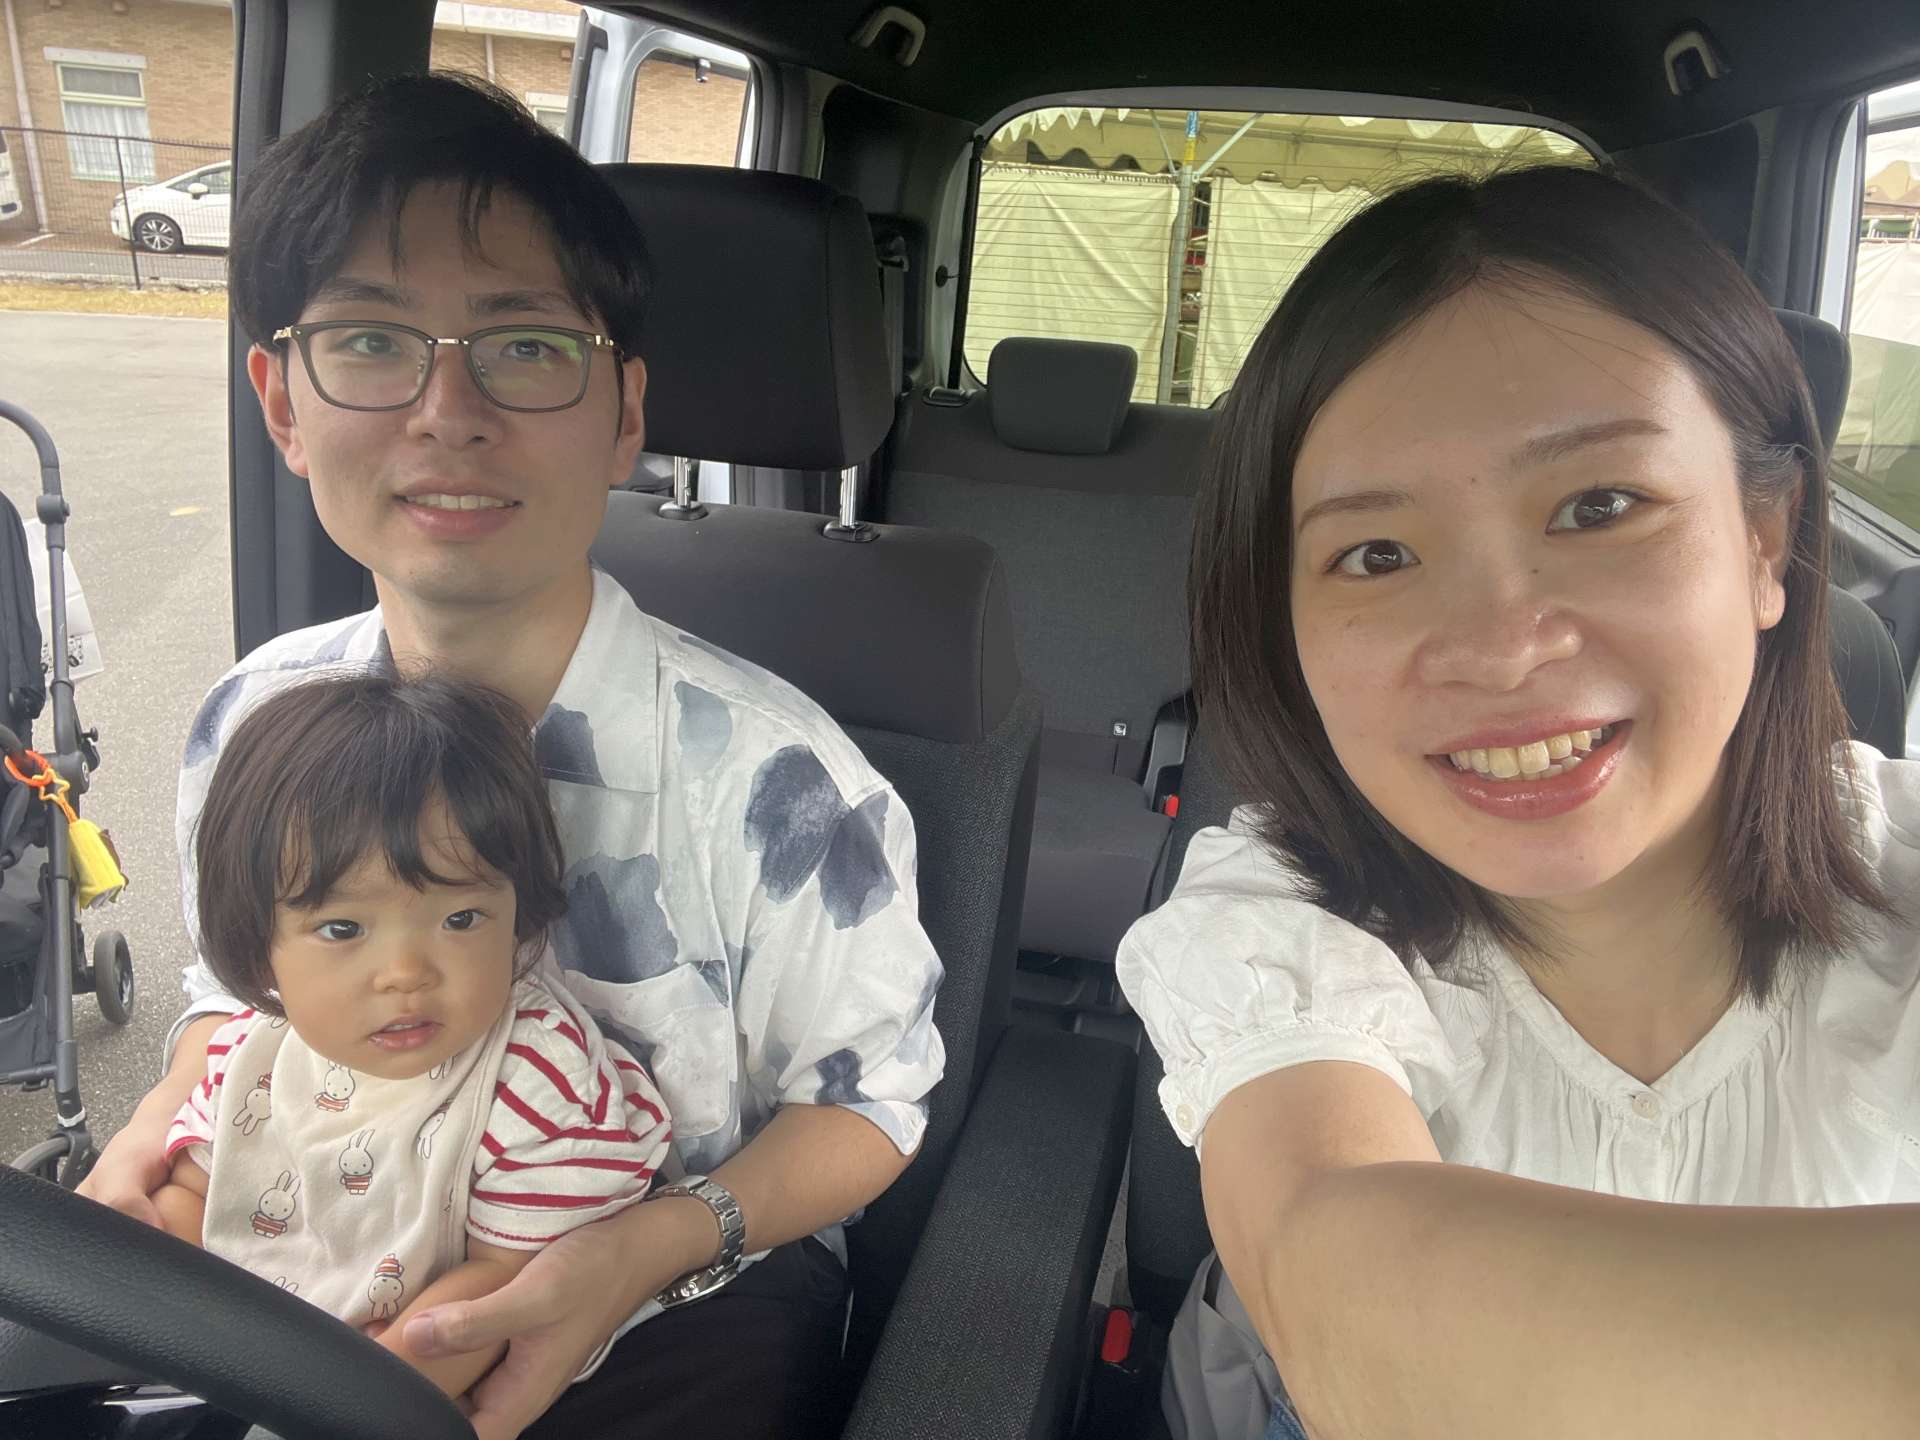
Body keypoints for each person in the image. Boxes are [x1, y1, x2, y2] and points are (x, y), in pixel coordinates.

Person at [78, 71, 945, 1440]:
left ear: (625, 413)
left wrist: (642, 1251)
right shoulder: (252, 718)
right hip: (309, 1237)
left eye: (526, 346)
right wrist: (160, 1123)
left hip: (680, 1303)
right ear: (283, 403)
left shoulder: (780, 787)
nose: (447, 411)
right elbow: (232, 986)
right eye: (371, 341)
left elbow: (871, 1105)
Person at [1116, 163, 1920, 1440]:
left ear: (1766, 541)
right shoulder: (1276, 918)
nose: (1499, 652)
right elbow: (1346, 1292)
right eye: (1377, 554)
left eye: (1601, 507)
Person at [153, 673, 671, 1401]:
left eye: (461, 920)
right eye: (342, 929)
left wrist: (347, 1401)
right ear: (259, 944)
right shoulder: (253, 1053)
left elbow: (501, 1290)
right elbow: (191, 1196)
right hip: (227, 1362)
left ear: (519, 915)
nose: (405, 974)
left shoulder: (536, 1078)